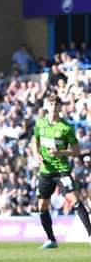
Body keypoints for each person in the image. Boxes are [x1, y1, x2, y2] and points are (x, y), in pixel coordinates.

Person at [31, 94, 91, 249]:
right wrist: (36, 154)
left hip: (62, 170)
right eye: (50, 104)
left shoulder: (66, 127)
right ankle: (51, 240)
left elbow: (77, 150)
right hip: (46, 171)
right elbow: (34, 141)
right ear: (46, 106)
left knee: (75, 200)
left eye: (56, 105)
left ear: (59, 107)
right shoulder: (40, 124)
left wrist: (61, 153)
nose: (53, 107)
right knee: (42, 206)